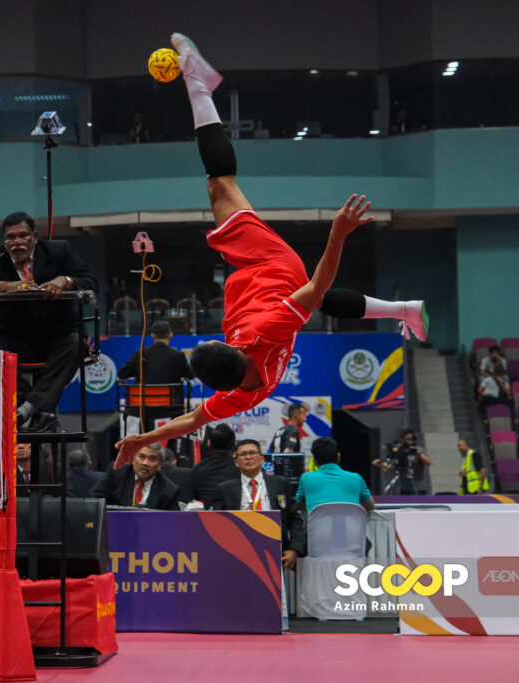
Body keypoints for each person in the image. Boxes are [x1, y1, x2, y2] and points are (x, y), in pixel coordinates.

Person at [115, 34, 428, 462]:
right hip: (267, 264)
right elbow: (317, 288)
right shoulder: (264, 330)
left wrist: (143, 438)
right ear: (235, 348)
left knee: (228, 200)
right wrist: (338, 231)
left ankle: (403, 309)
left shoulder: (242, 395)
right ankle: (198, 81)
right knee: (219, 182)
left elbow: (192, 421)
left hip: (264, 281)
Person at [0, 211, 97, 433]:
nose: (17, 242)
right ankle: (33, 409)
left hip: (59, 337)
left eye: (23, 236)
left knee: (77, 344)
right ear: (4, 240)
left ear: (35, 236)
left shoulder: (58, 251)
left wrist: (66, 281)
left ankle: (21, 412)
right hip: (14, 338)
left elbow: (90, 283)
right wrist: (5, 286)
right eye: (10, 237)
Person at [211, 439, 306, 568]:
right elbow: (216, 524)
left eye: (252, 453)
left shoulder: (280, 484)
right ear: (237, 462)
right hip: (237, 552)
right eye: (243, 454)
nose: (248, 457)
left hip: (274, 551)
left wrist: (294, 549)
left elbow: (295, 519)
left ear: (262, 459)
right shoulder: (224, 489)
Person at [117, 319, 194, 434]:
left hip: (141, 407)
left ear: (152, 335)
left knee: (146, 413)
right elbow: (190, 375)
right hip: (170, 408)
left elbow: (122, 374)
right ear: (170, 335)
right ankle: (171, 448)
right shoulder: (178, 355)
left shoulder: (140, 353)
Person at [296, 437, 376, 515]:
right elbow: (371, 506)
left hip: (318, 528)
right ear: (338, 457)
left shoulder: (305, 478)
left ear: (314, 462)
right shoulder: (356, 478)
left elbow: (297, 505)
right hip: (350, 528)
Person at [90, 442, 181, 510]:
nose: (145, 463)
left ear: (160, 465)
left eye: (152, 459)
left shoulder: (170, 490)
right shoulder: (115, 473)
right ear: (133, 459)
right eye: (142, 457)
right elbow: (94, 501)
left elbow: (171, 523)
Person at [190, 423, 239, 504]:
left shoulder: (198, 469)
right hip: (237, 514)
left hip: (207, 514)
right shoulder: (240, 467)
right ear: (234, 445)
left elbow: (195, 497)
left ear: (209, 444)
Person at [373, 428, 431, 495]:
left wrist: (418, 453)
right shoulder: (401, 452)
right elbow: (395, 468)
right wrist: (382, 464)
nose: (409, 441)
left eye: (411, 439)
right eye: (407, 439)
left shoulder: (420, 450)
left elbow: (428, 463)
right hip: (405, 487)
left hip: (419, 486)